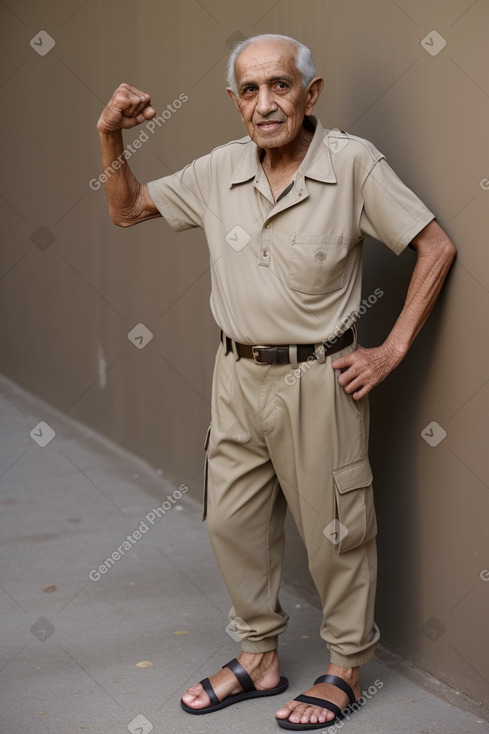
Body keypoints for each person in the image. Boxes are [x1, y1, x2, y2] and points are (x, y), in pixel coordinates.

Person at [96, 33, 456, 730]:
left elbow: (434, 246)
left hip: (318, 381)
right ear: (235, 104)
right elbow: (126, 207)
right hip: (234, 376)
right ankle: (258, 658)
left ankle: (345, 668)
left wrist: (390, 351)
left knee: (335, 531)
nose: (266, 104)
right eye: (251, 91)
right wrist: (110, 137)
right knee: (232, 523)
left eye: (281, 85)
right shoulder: (219, 170)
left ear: (310, 93)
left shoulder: (350, 163)